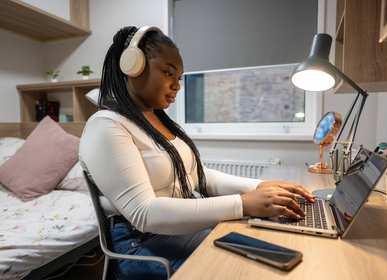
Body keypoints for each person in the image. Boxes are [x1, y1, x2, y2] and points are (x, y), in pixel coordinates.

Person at [79, 26, 315, 280]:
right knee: (247, 270)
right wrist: (243, 204)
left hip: (179, 230)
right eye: (168, 73)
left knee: (275, 250)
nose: (176, 86)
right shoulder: (106, 126)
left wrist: (259, 186)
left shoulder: (157, 120)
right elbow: (144, 214)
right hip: (142, 246)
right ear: (132, 66)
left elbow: (200, 177)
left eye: (179, 77)